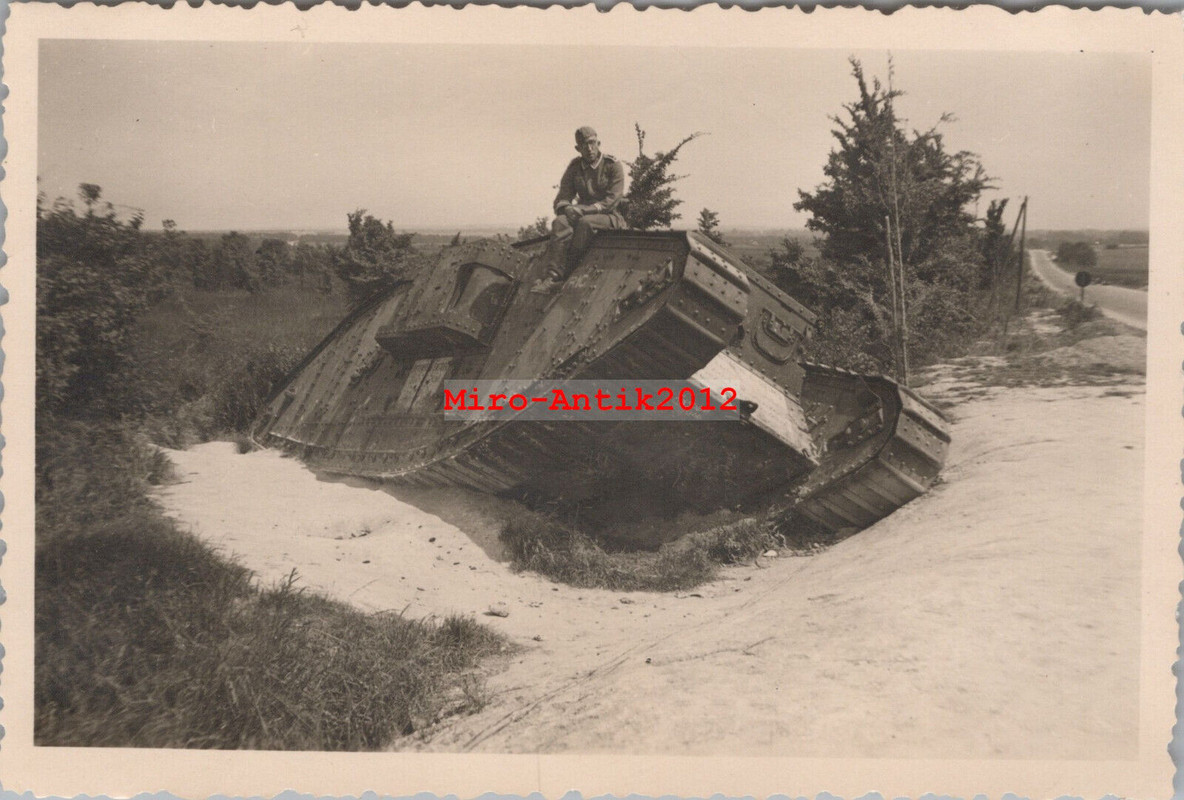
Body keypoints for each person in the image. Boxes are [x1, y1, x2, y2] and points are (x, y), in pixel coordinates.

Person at [539, 126, 627, 289]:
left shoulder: (612, 165)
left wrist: (583, 210)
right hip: (580, 214)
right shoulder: (574, 168)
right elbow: (562, 197)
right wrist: (567, 209)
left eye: (592, 143)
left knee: (585, 223)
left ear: (598, 143)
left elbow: (612, 200)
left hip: (610, 216)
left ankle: (570, 272)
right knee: (560, 222)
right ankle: (553, 277)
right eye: (584, 145)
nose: (589, 148)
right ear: (577, 148)